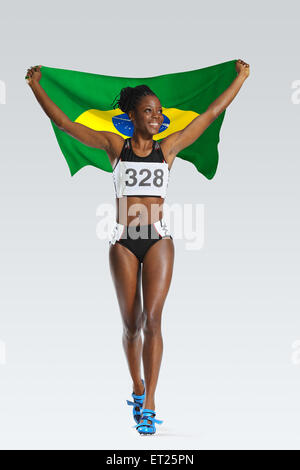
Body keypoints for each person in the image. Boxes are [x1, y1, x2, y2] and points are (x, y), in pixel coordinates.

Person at [25, 59, 250, 435]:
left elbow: (211, 113)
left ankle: (150, 403)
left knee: (153, 320)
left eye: (160, 112)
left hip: (158, 238)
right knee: (131, 325)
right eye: (149, 111)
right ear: (133, 115)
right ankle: (136, 386)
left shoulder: (169, 148)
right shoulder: (116, 146)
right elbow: (66, 123)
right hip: (123, 242)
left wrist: (240, 78)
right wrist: (36, 87)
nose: (157, 117)